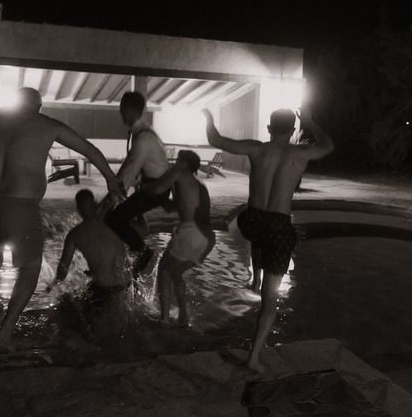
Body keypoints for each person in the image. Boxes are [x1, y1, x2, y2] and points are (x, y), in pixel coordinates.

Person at [0, 87, 124, 351]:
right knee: (31, 266)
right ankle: (5, 333)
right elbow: (89, 149)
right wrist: (111, 178)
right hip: (19, 205)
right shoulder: (47, 124)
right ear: (37, 106)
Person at [202, 106, 333, 372]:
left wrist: (208, 118)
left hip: (251, 221)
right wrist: (310, 121)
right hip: (278, 226)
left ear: (270, 129)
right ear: (293, 131)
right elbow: (328, 145)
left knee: (258, 233)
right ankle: (253, 358)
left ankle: (255, 276)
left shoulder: (257, 148)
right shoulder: (301, 153)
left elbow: (215, 140)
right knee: (270, 299)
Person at [142, 150, 215, 327]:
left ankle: (165, 320)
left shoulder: (179, 173)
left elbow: (156, 188)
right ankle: (184, 315)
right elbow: (170, 207)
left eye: (178, 159)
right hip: (207, 237)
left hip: (192, 231)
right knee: (175, 272)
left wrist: (143, 184)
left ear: (184, 163)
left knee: (164, 270)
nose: (175, 161)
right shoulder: (196, 184)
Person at [104, 91, 170, 277]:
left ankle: (143, 253)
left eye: (121, 110)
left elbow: (131, 171)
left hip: (156, 189)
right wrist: (113, 191)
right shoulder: (141, 133)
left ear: (128, 110)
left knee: (113, 218)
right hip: (151, 186)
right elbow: (128, 166)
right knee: (118, 215)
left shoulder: (143, 138)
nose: (121, 114)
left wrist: (113, 197)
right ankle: (129, 252)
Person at [53, 189, 132, 338]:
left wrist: (52, 285)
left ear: (78, 209)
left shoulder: (75, 234)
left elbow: (62, 271)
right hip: (127, 283)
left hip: (103, 289)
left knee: (70, 310)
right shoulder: (113, 221)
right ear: (95, 203)